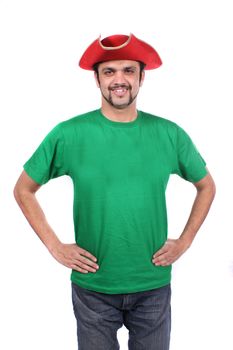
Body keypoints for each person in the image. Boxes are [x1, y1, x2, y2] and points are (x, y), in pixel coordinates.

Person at [14, 33, 216, 350]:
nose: (119, 80)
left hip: (152, 283)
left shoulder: (169, 134)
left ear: (141, 77)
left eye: (128, 71)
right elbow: (24, 189)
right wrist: (55, 246)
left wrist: (185, 240)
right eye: (109, 71)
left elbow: (206, 186)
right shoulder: (69, 134)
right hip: (93, 286)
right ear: (97, 79)